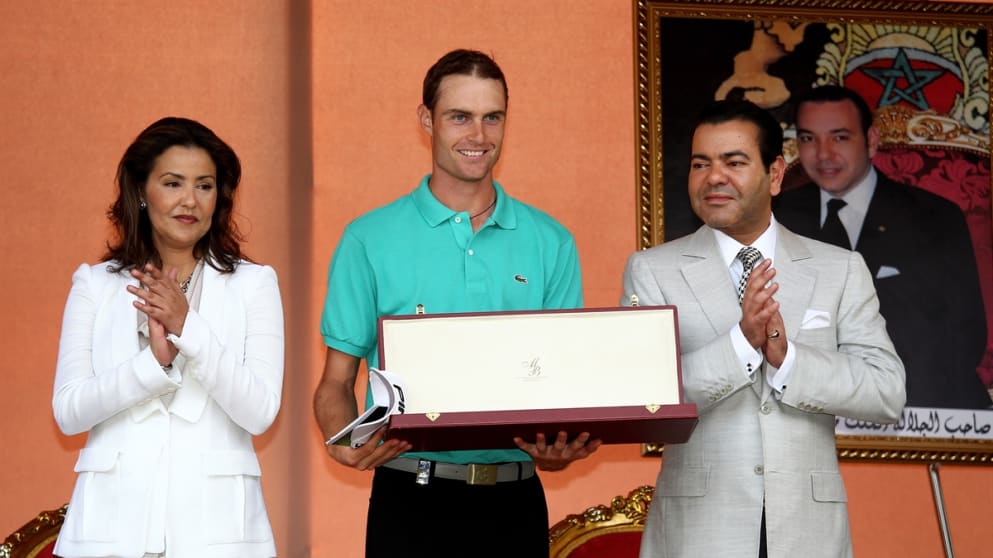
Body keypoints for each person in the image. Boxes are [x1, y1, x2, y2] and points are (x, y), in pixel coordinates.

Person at [313, 49, 600, 557]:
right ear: (427, 120)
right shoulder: (368, 239)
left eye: (493, 117)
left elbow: (561, 389)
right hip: (408, 502)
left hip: (517, 505)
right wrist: (341, 440)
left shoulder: (551, 241)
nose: (479, 136)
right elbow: (336, 383)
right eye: (460, 117)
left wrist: (559, 448)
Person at [621, 99, 905, 558]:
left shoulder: (840, 269)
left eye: (734, 162)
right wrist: (741, 344)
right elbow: (643, 400)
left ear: (775, 174)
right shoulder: (654, 270)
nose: (715, 177)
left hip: (807, 533)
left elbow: (886, 391)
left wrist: (787, 358)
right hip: (699, 533)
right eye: (701, 164)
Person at [52, 117, 284, 558]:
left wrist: (188, 328)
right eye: (173, 183)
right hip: (108, 532)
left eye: (205, 185)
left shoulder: (254, 284)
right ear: (141, 192)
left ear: (220, 196)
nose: (190, 201)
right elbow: (68, 412)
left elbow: (260, 412)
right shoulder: (94, 285)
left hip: (219, 536)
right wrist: (151, 367)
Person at [775, 85, 991, 409]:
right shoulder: (776, 217)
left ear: (872, 141)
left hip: (915, 400)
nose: (823, 154)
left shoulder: (935, 217)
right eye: (808, 139)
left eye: (840, 137)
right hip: (806, 401)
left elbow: (965, 337)